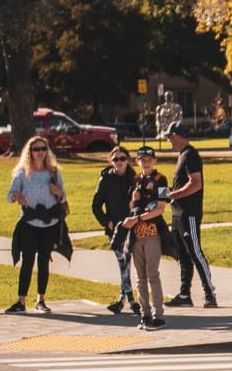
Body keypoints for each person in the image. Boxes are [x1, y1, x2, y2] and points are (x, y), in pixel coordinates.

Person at [6, 136, 69, 314]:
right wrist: (16, 196)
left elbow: (63, 197)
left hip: (50, 222)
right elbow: (10, 194)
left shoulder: (54, 172)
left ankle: (41, 299)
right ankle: (21, 301)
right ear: (30, 152)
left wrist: (59, 193)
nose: (40, 152)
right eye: (36, 149)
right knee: (27, 261)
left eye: (43, 149)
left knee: (44, 261)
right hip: (30, 221)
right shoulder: (22, 173)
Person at [163, 122, 217, 308]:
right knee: (183, 255)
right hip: (177, 213)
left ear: (177, 135)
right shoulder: (182, 155)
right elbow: (182, 185)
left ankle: (209, 293)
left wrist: (173, 194)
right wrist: (166, 193)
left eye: (170, 136)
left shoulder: (191, 155)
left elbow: (196, 183)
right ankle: (185, 295)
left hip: (189, 214)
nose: (169, 140)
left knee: (195, 251)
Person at [123, 146, 171, 330]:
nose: (146, 162)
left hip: (152, 233)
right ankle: (145, 314)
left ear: (155, 160)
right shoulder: (135, 180)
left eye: (149, 158)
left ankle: (159, 315)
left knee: (153, 275)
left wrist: (138, 218)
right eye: (142, 159)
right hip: (136, 235)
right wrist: (133, 200)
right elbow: (130, 206)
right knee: (139, 278)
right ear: (137, 162)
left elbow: (160, 209)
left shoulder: (162, 179)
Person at [91, 146, 138, 316]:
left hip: (133, 227)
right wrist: (106, 222)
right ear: (111, 161)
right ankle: (131, 300)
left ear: (128, 160)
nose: (119, 162)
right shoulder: (106, 179)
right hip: (116, 230)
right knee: (123, 264)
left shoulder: (135, 179)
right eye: (116, 159)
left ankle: (122, 299)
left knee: (128, 264)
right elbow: (95, 205)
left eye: (122, 158)